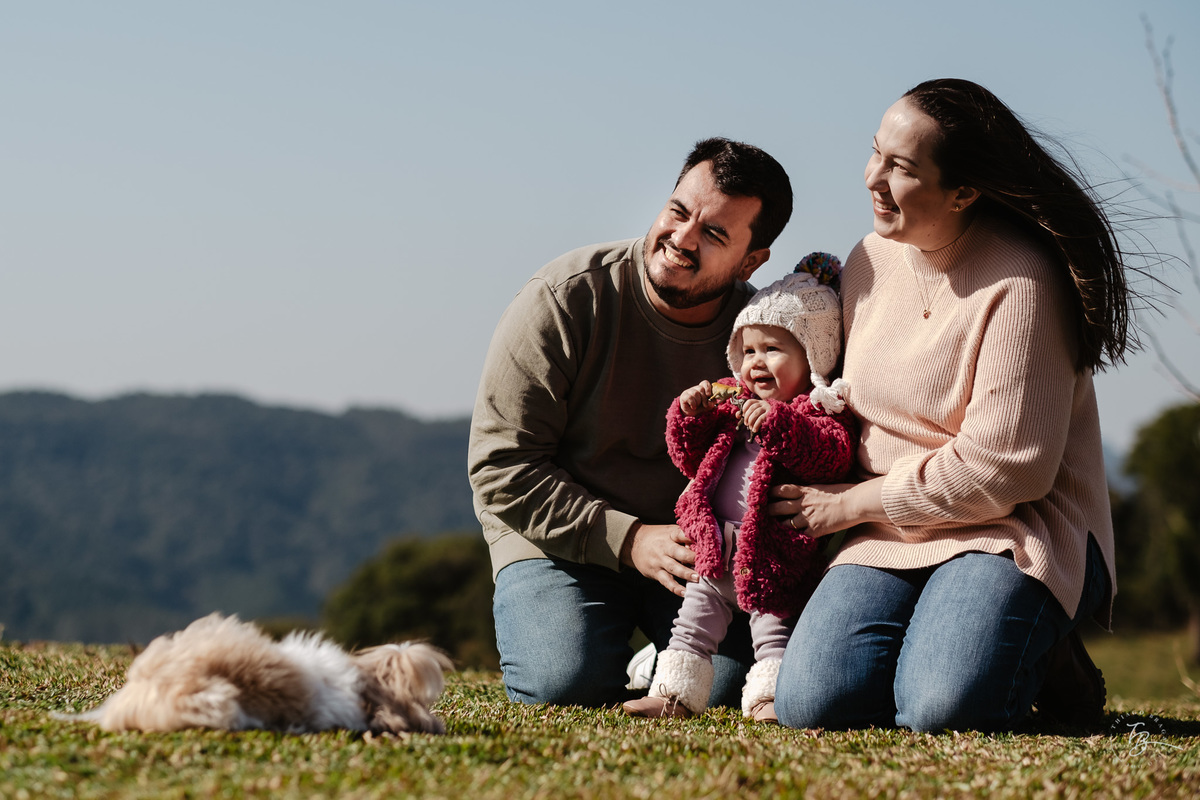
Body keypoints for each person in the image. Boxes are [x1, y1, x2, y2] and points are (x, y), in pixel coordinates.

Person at [769, 78, 1133, 733]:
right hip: (890, 529)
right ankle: (977, 641)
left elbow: (1004, 474)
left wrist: (848, 505)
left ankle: (1053, 658)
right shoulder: (867, 260)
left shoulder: (1022, 282)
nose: (872, 177)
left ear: (964, 191)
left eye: (900, 167)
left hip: (1013, 528)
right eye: (875, 152)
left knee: (945, 708)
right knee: (815, 705)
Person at [468, 138, 794, 707]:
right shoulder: (565, 298)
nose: (682, 239)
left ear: (752, 261)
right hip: (559, 539)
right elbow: (501, 466)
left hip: (696, 550)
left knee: (729, 688)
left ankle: (652, 663)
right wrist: (629, 539)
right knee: (563, 684)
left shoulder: (760, 338)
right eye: (678, 211)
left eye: (714, 233)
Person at [621, 254, 858, 723]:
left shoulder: (817, 411)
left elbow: (831, 455)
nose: (756, 363)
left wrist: (779, 423)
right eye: (748, 351)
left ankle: (770, 698)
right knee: (690, 628)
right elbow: (690, 459)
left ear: (813, 357)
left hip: (771, 555)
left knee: (773, 632)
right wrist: (689, 416)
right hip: (714, 544)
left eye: (773, 349)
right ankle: (672, 695)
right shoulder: (731, 404)